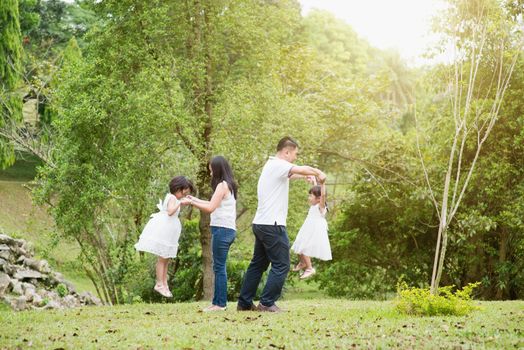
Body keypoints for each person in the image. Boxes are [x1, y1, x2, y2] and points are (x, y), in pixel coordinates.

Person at [237, 136, 327, 312]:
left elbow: (291, 174)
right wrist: (317, 172)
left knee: (258, 264)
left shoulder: (272, 165)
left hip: (261, 223)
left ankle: (244, 302)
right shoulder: (278, 164)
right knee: (282, 264)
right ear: (286, 152)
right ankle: (267, 303)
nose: (295, 157)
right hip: (273, 225)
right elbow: (297, 168)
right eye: (295, 154)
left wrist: (305, 176)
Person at [187, 156, 238, 312]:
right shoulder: (229, 185)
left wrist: (191, 202)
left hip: (222, 230)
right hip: (226, 229)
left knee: (219, 267)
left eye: (211, 170)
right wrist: (194, 199)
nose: (210, 174)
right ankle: (217, 302)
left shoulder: (222, 186)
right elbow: (211, 204)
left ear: (217, 170)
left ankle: (220, 304)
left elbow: (210, 208)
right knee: (218, 267)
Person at [134, 176, 194, 297]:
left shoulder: (174, 198)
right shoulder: (172, 197)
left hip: (170, 231)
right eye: (184, 191)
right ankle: (159, 283)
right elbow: (171, 211)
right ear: (179, 188)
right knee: (162, 258)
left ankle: (164, 283)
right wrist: (180, 203)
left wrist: (183, 202)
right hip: (166, 230)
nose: (185, 193)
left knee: (166, 258)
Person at [291, 179, 332, 279]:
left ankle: (310, 268)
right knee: (299, 247)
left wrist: (323, 184)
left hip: (315, 231)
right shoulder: (314, 205)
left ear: (318, 199)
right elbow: (317, 190)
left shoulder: (320, 206)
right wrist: (314, 180)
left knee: (304, 248)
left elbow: (322, 195)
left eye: (310, 196)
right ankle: (302, 263)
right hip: (307, 228)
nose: (309, 198)